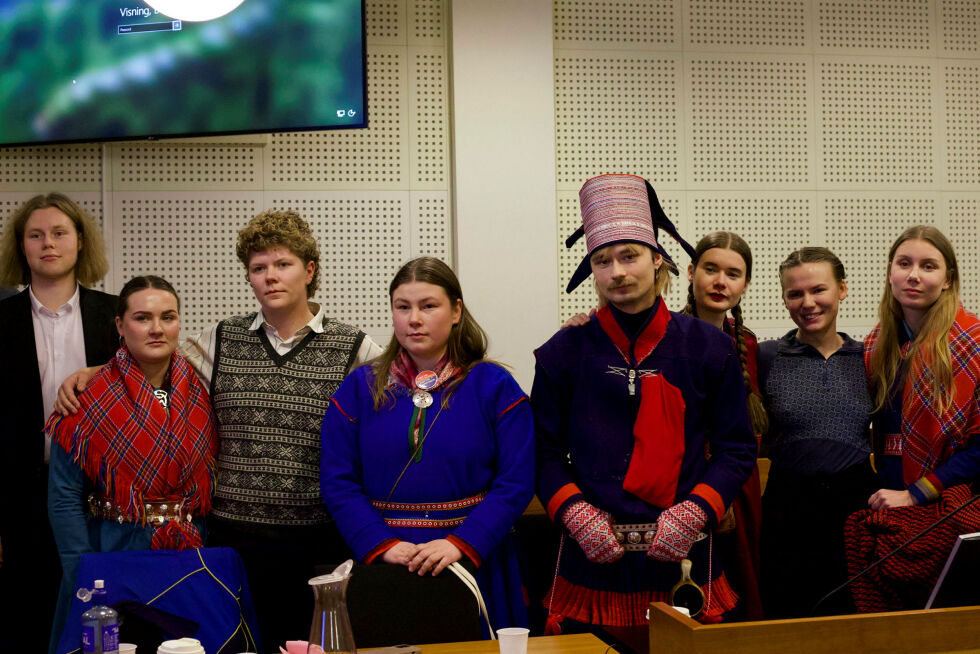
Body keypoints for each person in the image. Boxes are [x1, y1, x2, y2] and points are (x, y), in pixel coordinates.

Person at [56, 209, 382, 648]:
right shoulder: (220, 339)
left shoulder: (356, 346)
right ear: (248, 277)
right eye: (258, 268)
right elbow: (153, 358)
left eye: (282, 265)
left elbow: (393, 404)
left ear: (309, 270)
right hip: (232, 539)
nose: (271, 277)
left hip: (317, 536)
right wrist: (94, 372)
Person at [533, 174, 757, 630]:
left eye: (629, 256)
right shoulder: (562, 353)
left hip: (686, 555)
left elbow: (737, 448)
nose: (617, 272)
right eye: (602, 260)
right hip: (589, 559)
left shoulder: (709, 349)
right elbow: (542, 453)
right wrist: (576, 514)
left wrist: (695, 511)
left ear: (658, 260)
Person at [320, 256, 534, 634]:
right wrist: (382, 543)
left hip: (474, 556)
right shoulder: (358, 389)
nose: (413, 319)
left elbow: (515, 482)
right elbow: (338, 481)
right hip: (386, 561)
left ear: (456, 311)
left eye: (428, 306)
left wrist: (460, 542)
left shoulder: (495, 387)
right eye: (402, 307)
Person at [46, 276, 218, 652]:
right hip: (113, 554)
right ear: (121, 326)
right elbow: (63, 498)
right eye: (143, 318)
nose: (157, 329)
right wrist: (84, 571)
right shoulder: (85, 398)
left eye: (168, 317)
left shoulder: (203, 391)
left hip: (188, 555)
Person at [0, 193, 117, 653]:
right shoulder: (2, 319)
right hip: (18, 495)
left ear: (81, 243)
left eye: (59, 233)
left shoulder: (116, 315)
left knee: (99, 610)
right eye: (35, 235)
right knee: (27, 614)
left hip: (101, 493)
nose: (48, 243)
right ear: (21, 247)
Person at [846, 225, 980, 611]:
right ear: (890, 272)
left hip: (954, 502)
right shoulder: (876, 344)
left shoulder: (971, 343)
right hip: (894, 504)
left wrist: (915, 493)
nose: (914, 275)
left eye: (928, 266)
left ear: (947, 279)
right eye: (904, 263)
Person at [757, 248, 877, 618]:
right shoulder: (765, 357)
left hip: (856, 512)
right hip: (786, 512)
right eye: (795, 294)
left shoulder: (871, 357)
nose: (807, 302)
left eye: (818, 290)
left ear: (842, 290)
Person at [680, 231, 767, 620]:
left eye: (733, 274)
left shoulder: (748, 345)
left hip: (738, 485)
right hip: (684, 481)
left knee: (739, 584)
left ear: (745, 284)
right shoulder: (667, 336)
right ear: (690, 272)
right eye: (710, 269)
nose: (720, 282)